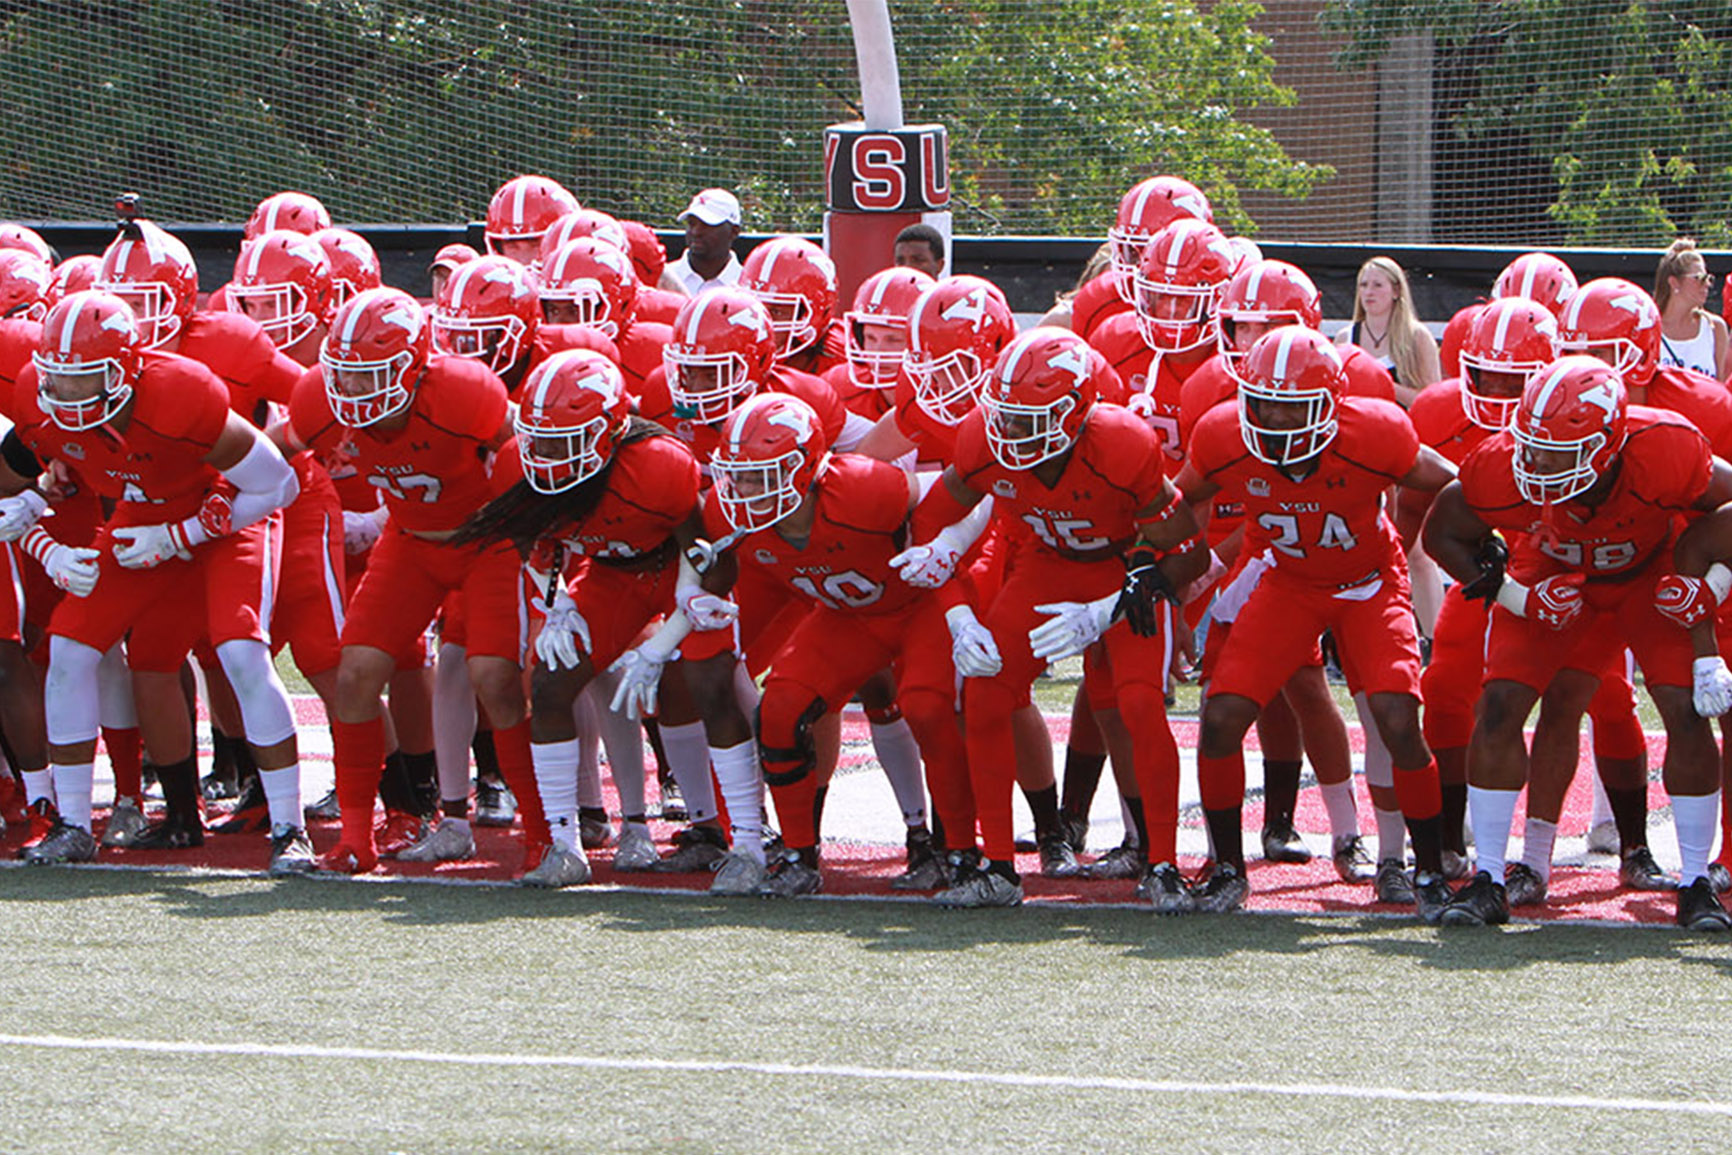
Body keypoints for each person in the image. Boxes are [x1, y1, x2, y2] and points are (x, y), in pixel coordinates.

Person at [0, 291, 312, 873]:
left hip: (224, 516)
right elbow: (12, 490)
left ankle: (290, 828)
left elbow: (277, 485)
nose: (63, 394)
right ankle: (72, 824)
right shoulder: (39, 404)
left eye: (81, 379)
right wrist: (39, 523)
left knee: (241, 654)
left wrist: (181, 535)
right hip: (140, 518)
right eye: (55, 378)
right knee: (69, 648)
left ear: (125, 370)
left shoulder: (181, 395)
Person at [1423, 355, 1732, 930]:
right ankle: (1490, 875)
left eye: (1560, 454)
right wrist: (1515, 596)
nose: (1539, 465)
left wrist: (1709, 585)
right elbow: (1440, 531)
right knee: (1497, 707)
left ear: (1609, 444)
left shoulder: (1666, 448)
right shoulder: (1502, 467)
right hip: (1551, 572)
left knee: (1688, 713)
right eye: (1532, 447)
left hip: (1649, 576)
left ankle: (1694, 884)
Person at [903, 326, 1208, 907]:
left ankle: (1164, 864)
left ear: (1077, 413)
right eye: (1005, 414)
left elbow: (1187, 551)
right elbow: (929, 531)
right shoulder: (982, 440)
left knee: (1139, 703)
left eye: (1028, 418)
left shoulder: (1120, 443)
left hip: (1122, 569)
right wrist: (960, 617)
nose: (1011, 431)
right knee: (988, 688)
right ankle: (996, 866)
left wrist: (1109, 608)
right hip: (1044, 564)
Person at [1175, 327, 1457, 918]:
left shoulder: (1373, 433)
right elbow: (1180, 503)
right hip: (1289, 582)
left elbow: (1448, 481)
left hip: (1368, 585)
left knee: (1397, 716)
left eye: (1291, 407)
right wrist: (1169, 569)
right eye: (1263, 403)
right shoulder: (1226, 434)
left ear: (1330, 405)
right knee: (1222, 715)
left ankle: (1425, 869)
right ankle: (1227, 868)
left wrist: (1409, 537)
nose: (1275, 420)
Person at [1340, 256, 1440, 405]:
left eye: (1377, 285)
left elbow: (1432, 401)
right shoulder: (1344, 339)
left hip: (1401, 425)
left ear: (1396, 291)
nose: (1369, 292)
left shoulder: (1417, 337)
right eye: (1364, 285)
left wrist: (1384, 385)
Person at [1655, 239, 1731, 382]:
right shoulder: (1650, 330)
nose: (1707, 284)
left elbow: (1720, 389)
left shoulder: (1715, 329)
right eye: (1699, 278)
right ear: (1674, 282)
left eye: (1708, 278)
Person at [662, 189, 743, 296]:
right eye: (691, 223)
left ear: (734, 231)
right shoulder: (660, 280)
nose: (696, 232)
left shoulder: (748, 287)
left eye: (707, 224)